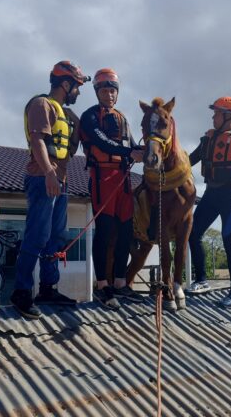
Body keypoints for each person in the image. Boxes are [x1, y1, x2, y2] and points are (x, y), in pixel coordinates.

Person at [11, 60, 89, 319]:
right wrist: (49, 174)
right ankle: (22, 292)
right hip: (42, 178)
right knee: (38, 234)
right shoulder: (41, 104)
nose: (78, 92)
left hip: (61, 180)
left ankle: (48, 287)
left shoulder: (67, 114)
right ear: (65, 84)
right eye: (77, 87)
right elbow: (38, 141)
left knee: (56, 237)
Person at [80, 68, 145, 309]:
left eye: (112, 91)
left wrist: (147, 150)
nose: (109, 95)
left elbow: (132, 144)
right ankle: (102, 286)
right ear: (97, 92)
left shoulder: (122, 117)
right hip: (102, 177)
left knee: (125, 231)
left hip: (124, 179)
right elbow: (100, 141)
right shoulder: (90, 116)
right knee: (105, 231)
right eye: (105, 90)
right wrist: (130, 152)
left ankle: (120, 283)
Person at [187, 96, 231, 308]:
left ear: (227, 116)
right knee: (193, 233)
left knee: (228, 240)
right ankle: (202, 280)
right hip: (212, 193)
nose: (213, 117)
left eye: (216, 113)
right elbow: (190, 160)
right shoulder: (208, 139)